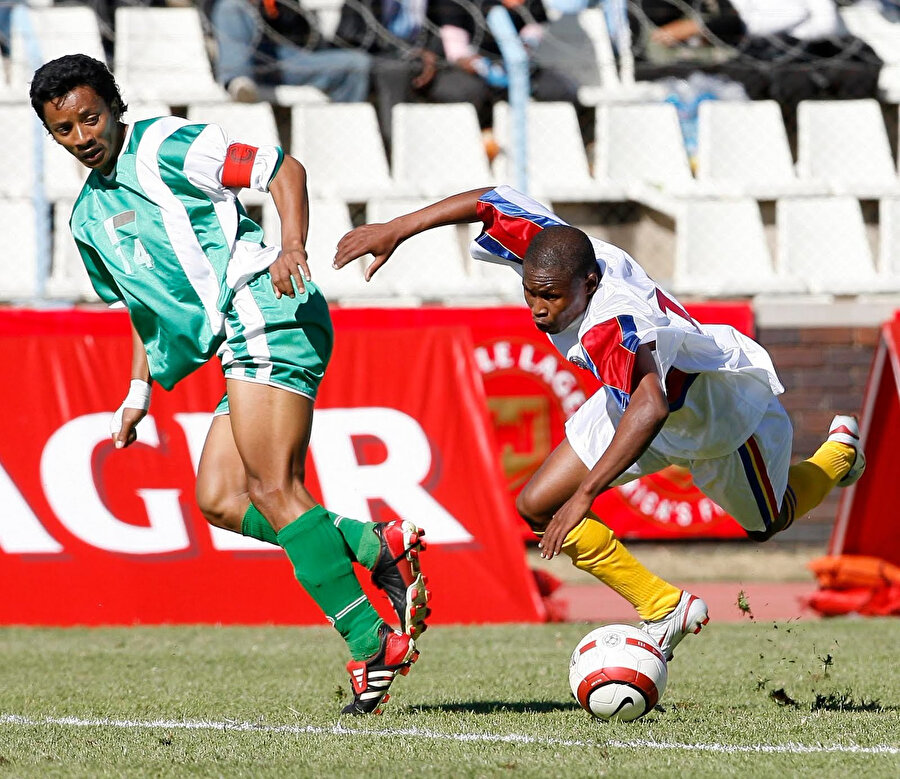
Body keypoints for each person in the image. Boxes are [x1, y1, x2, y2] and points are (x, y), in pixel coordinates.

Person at [30, 53, 430, 715]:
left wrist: (292, 245)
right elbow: (142, 305)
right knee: (218, 496)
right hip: (237, 338)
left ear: (113, 107)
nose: (81, 136)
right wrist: (136, 395)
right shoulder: (86, 218)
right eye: (64, 130)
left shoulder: (163, 144)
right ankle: (369, 542)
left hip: (266, 305)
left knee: (275, 490)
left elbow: (282, 169)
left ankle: (372, 639)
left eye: (89, 117)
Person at [333, 185, 867, 660]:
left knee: (770, 523)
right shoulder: (553, 249)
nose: (538, 309)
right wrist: (396, 229)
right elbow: (487, 199)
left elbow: (653, 404)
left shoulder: (614, 319)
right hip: (630, 404)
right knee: (536, 504)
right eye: (531, 292)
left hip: (719, 415)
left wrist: (588, 493)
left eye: (551, 297)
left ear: (589, 283)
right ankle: (665, 607)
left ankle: (839, 454)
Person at [332, 0, 491, 153]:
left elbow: (442, 30)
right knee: (396, 73)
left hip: (426, 65)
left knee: (470, 89)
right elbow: (349, 38)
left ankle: (450, 154)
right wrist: (404, 54)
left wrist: (432, 56)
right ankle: (397, 153)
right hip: (380, 62)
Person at [209, 0, 371, 102]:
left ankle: (340, 128)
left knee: (357, 63)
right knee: (231, 5)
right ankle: (238, 81)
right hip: (242, 55)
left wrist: (271, 7)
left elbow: (299, 33)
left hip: (282, 59)